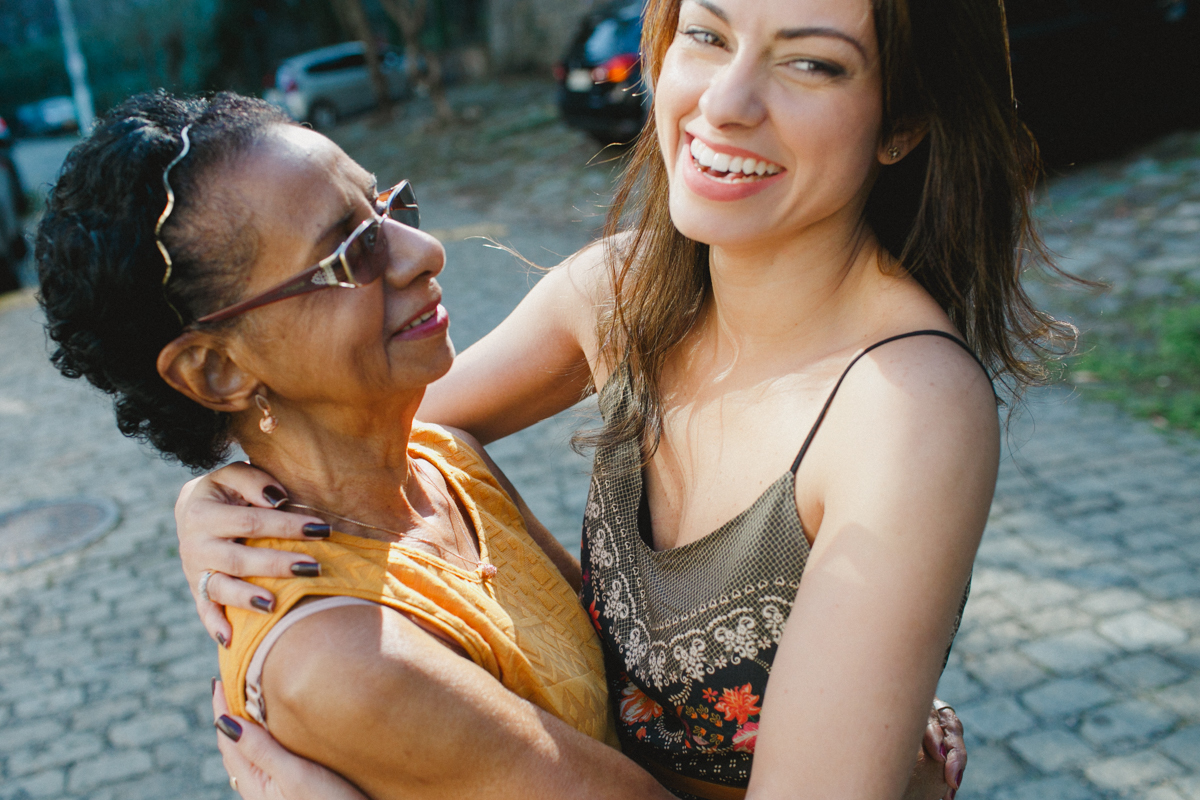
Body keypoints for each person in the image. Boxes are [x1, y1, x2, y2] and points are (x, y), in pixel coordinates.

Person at [175, 0, 1070, 795]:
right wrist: (220, 512)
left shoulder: (902, 412)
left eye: (811, 62)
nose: (725, 101)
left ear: (903, 118)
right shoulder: (620, 296)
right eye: (708, 34)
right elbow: (385, 443)